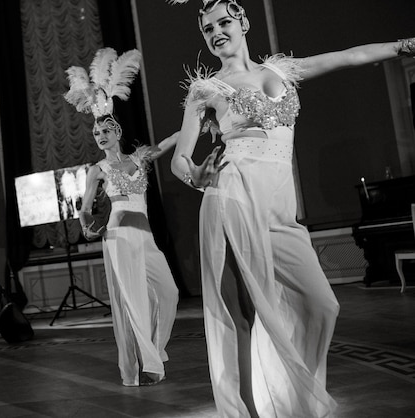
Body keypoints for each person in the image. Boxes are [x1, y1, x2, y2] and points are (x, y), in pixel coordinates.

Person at [169, 0, 415, 416]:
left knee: (322, 305)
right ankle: (245, 410)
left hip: (281, 210)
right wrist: (196, 175)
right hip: (232, 198)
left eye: (224, 22)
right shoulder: (206, 90)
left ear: (244, 22)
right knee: (241, 316)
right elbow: (179, 158)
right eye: (207, 28)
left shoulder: (281, 72)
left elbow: (349, 56)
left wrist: (404, 45)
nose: (216, 32)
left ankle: (290, 395)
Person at [65, 47, 180, 386]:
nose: (100, 137)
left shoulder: (140, 158)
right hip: (118, 236)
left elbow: (168, 143)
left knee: (169, 292)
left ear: (117, 132)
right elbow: (84, 208)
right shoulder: (96, 169)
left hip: (145, 237)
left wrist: (198, 125)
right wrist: (86, 227)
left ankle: (155, 351)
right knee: (133, 303)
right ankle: (147, 367)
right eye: (96, 134)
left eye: (105, 132)